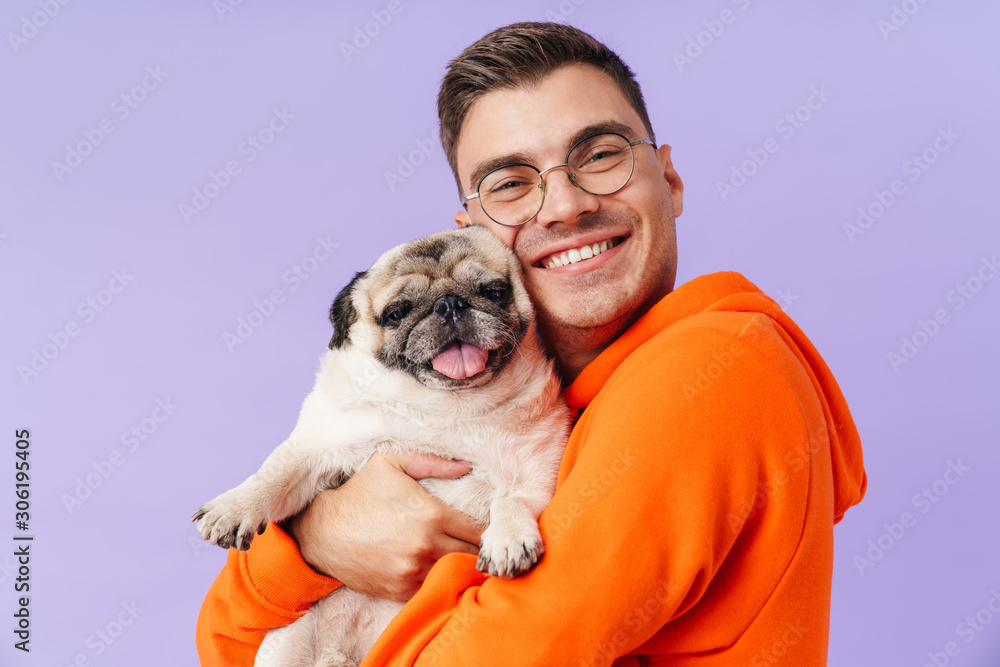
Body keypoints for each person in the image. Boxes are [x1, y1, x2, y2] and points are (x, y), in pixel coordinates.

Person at [196, 22, 866, 666]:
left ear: (672, 180)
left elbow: (512, 651)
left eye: (600, 154)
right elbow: (225, 641)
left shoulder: (711, 366)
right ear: (473, 231)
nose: (563, 205)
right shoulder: (551, 406)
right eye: (512, 183)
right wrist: (318, 541)